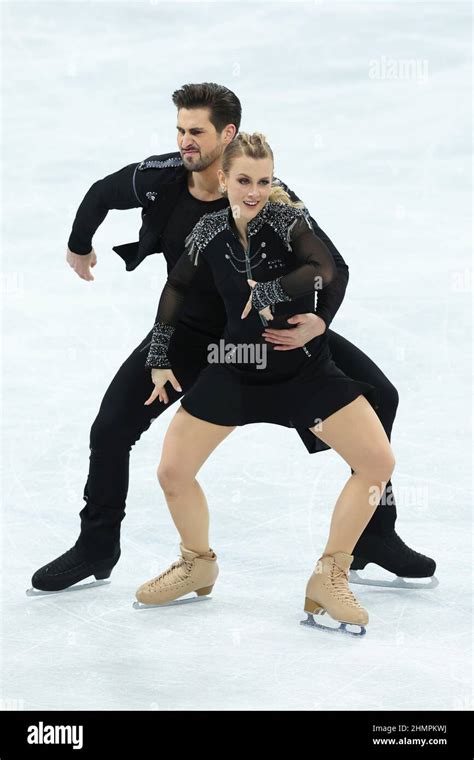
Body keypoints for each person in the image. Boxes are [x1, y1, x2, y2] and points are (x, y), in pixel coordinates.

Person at [30, 83, 435, 595]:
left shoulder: (270, 195)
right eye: (179, 129)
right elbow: (101, 195)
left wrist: (321, 322)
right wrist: (78, 245)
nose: (184, 142)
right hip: (190, 336)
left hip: (264, 334)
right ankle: (96, 546)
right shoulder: (161, 178)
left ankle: (374, 536)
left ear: (228, 135)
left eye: (196, 132)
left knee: (382, 396)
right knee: (111, 426)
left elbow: (332, 266)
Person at [134, 132, 395, 634]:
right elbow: (177, 287)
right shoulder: (208, 231)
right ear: (223, 179)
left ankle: (330, 574)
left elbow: (326, 268)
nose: (255, 190)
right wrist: (160, 355)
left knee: (377, 462)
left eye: (264, 180)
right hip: (236, 366)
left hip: (302, 371)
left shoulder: (286, 219)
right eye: (244, 180)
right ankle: (197, 564)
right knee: (172, 471)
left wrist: (300, 307)